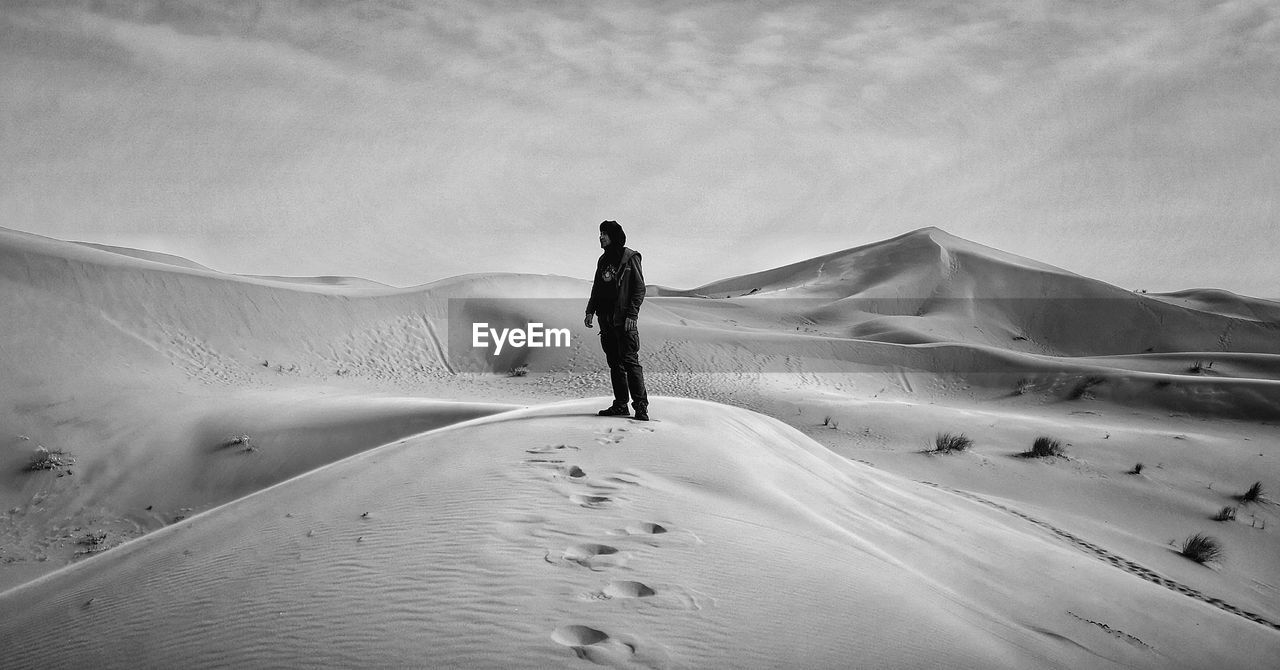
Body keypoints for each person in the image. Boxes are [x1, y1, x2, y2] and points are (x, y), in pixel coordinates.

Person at [584, 220, 649, 421]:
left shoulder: (629, 258)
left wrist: (632, 314)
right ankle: (621, 404)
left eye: (604, 233)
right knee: (615, 364)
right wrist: (590, 311)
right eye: (600, 233)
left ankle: (640, 407)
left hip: (624, 320)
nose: (600, 237)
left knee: (630, 362)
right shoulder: (602, 261)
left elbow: (639, 288)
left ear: (613, 235)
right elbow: (597, 288)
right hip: (606, 320)